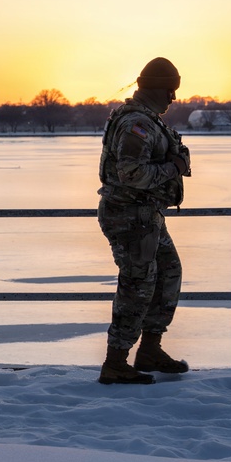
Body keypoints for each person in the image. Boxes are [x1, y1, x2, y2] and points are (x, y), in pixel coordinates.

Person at [97, 57, 191, 385]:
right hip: (130, 216)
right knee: (137, 285)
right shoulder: (138, 123)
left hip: (146, 214)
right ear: (155, 89)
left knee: (167, 274)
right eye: (170, 90)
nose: (173, 98)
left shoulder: (148, 120)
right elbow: (131, 173)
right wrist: (175, 167)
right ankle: (115, 362)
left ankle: (150, 349)